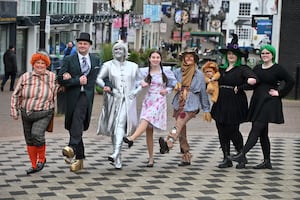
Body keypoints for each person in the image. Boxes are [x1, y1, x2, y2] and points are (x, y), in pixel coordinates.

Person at [232, 44, 295, 169]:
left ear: (272, 55)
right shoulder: (257, 68)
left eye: (267, 53)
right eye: (263, 53)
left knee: (256, 127)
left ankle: (242, 153)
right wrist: (239, 88)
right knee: (263, 133)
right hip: (258, 101)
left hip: (270, 102)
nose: (265, 55)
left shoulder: (277, 68)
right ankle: (267, 161)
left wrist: (280, 93)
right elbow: (252, 84)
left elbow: (291, 81)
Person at [122, 50, 177, 167]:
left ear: (160, 59)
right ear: (149, 59)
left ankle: (132, 138)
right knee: (148, 130)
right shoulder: (144, 71)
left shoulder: (165, 71)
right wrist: (141, 83)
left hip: (159, 100)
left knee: (147, 118)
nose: (155, 59)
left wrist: (166, 90)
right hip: (148, 99)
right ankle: (151, 158)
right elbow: (135, 81)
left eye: (157, 57)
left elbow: (174, 84)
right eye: (153, 57)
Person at [158, 48, 211, 166]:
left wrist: (206, 109)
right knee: (181, 130)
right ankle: (186, 156)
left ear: (195, 59)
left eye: (191, 56)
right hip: (179, 103)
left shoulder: (199, 75)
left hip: (191, 105)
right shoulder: (177, 72)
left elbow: (203, 93)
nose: (188, 58)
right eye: (186, 56)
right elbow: (168, 82)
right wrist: (174, 85)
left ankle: (169, 142)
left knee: (178, 124)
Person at [210, 36, 257, 169]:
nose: (231, 56)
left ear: (237, 56)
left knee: (232, 129)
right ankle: (226, 157)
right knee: (221, 129)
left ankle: (241, 155)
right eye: (229, 54)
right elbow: (211, 78)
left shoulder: (242, 69)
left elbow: (254, 80)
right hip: (221, 102)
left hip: (235, 102)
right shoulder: (221, 69)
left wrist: (241, 87)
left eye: (233, 54)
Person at [57, 32, 101, 172]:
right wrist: (75, 80)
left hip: (86, 96)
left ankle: (71, 147)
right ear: (77, 45)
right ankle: (79, 158)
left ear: (89, 46)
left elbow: (98, 77)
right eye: (80, 43)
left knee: (78, 118)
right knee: (73, 124)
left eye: (85, 43)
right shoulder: (69, 60)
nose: (82, 46)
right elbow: (60, 79)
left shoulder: (95, 59)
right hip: (72, 96)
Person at [10, 50, 58, 175]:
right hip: (26, 113)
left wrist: (67, 80)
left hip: (44, 112)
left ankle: (41, 159)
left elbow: (61, 89)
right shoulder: (25, 77)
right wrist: (14, 110)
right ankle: (33, 165)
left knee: (37, 134)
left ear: (46, 64)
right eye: (37, 63)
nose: (40, 65)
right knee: (29, 139)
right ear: (33, 64)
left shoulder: (52, 77)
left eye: (43, 63)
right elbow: (16, 94)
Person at [96, 41, 140, 170]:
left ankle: (115, 153)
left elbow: (140, 82)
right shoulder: (107, 65)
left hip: (128, 100)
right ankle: (118, 157)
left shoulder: (133, 66)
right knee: (114, 128)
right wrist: (106, 87)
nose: (118, 52)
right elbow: (99, 78)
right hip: (113, 99)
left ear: (125, 51)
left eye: (120, 49)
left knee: (120, 124)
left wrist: (134, 93)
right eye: (115, 50)